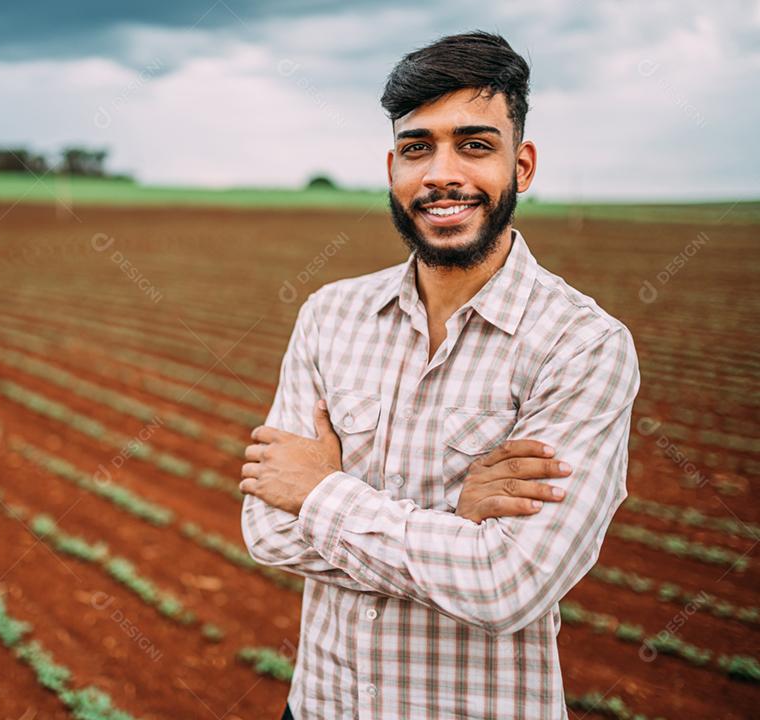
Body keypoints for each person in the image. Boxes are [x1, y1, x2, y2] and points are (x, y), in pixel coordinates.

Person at [240, 30, 641, 720]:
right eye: (417, 147)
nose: (440, 175)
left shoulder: (583, 346)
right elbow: (266, 528)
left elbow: (506, 584)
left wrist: (323, 492)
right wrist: (454, 522)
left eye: (474, 146)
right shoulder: (329, 315)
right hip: (318, 707)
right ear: (392, 167)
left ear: (523, 166)